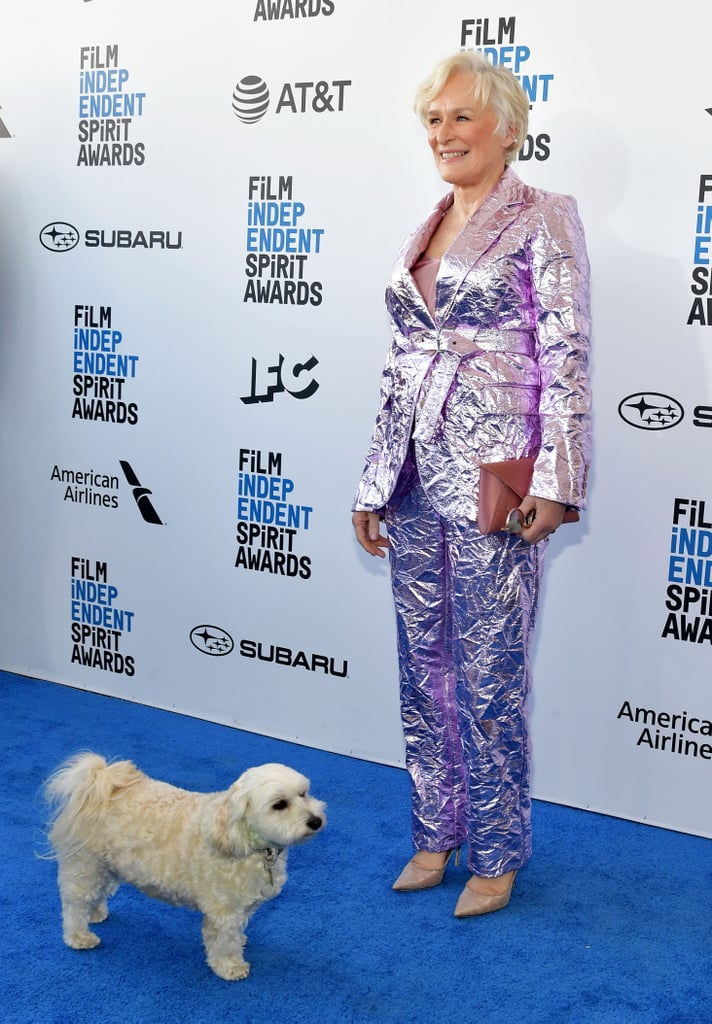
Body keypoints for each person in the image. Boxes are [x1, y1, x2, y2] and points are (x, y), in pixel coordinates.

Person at [351, 51, 591, 918]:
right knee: (424, 670)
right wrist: (374, 478)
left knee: (489, 673)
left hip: (498, 477)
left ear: (509, 129)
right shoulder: (426, 224)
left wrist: (558, 480)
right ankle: (433, 831)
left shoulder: (545, 215)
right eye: (433, 119)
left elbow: (565, 356)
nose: (443, 134)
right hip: (415, 473)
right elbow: (401, 363)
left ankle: (497, 850)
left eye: (460, 117)